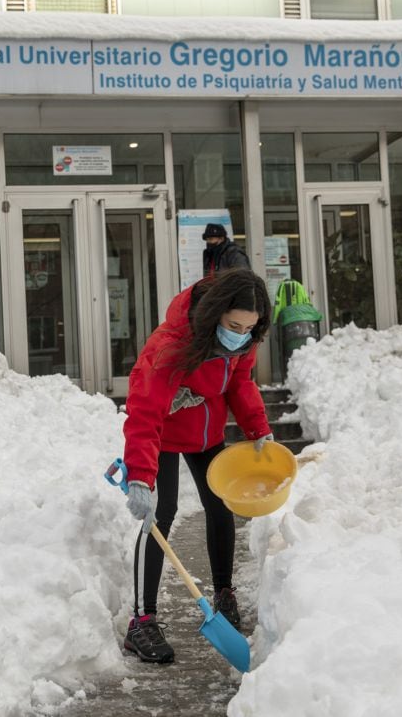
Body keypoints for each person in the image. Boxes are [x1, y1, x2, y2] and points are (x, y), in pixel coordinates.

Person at [121, 268, 274, 664]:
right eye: (233, 325)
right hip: (165, 432)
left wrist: (258, 429)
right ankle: (141, 622)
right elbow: (145, 410)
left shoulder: (244, 340)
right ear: (215, 314)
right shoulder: (172, 343)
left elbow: (241, 383)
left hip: (207, 433)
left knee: (220, 504)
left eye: (249, 328)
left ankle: (224, 593)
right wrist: (140, 474)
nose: (240, 334)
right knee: (160, 514)